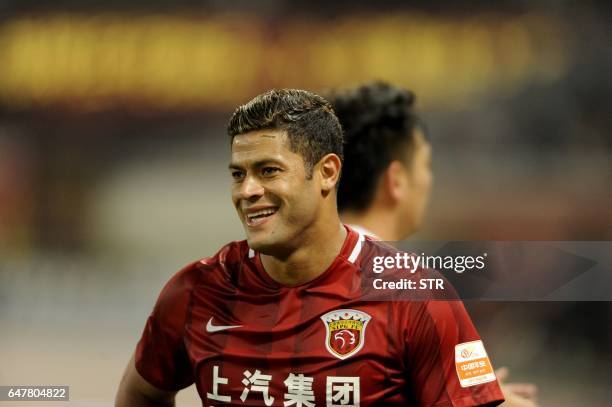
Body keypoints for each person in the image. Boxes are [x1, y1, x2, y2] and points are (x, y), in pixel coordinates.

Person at [116, 88, 505, 406]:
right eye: (239, 174)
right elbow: (142, 393)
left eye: (268, 171)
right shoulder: (196, 292)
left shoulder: (418, 298)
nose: (248, 191)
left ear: (327, 172)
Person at [329, 81, 539, 407]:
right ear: (396, 181)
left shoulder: (267, 274)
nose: (429, 181)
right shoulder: (417, 289)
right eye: (425, 165)